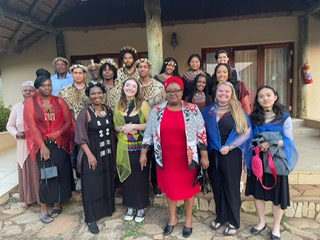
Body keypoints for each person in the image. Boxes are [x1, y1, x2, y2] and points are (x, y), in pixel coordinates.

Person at [140, 76, 209, 238]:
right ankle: (172, 219)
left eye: (176, 90)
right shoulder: (157, 110)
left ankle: (188, 220)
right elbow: (149, 132)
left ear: (182, 91)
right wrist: (143, 152)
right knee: (170, 191)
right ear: (165, 92)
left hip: (187, 158)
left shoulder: (192, 109)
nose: (173, 94)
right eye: (169, 91)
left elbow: (202, 133)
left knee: (188, 191)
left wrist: (204, 155)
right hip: (166, 158)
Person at [245, 85, 298, 240]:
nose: (265, 98)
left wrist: (271, 142)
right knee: (258, 193)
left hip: (276, 161)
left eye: (268, 95)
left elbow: (289, 140)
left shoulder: (284, 117)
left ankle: (276, 226)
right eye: (261, 96)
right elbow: (249, 138)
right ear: (258, 100)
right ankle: (261, 222)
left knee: (277, 195)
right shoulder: (253, 117)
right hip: (259, 160)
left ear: (275, 97)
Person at [24, 69, 75, 224]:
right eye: (44, 86)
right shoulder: (31, 103)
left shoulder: (59, 102)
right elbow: (32, 127)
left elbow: (68, 122)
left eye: (49, 85)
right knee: (46, 175)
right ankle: (44, 208)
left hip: (59, 144)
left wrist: (58, 133)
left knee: (60, 173)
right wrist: (42, 146)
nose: (48, 88)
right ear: (37, 88)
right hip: (42, 145)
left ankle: (58, 203)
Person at [202, 81, 252, 236]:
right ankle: (221, 216)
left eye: (227, 92)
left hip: (231, 154)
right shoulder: (208, 111)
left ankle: (233, 221)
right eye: (220, 91)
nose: (223, 94)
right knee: (217, 188)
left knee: (231, 188)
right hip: (213, 154)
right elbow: (201, 131)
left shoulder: (237, 110)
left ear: (232, 94)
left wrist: (230, 146)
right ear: (215, 93)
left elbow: (246, 132)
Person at [75, 82, 117, 234]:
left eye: (99, 93)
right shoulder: (85, 112)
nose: (96, 96)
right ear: (89, 96)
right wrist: (90, 155)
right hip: (92, 153)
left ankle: (105, 210)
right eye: (93, 93)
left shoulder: (108, 110)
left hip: (107, 153)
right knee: (92, 185)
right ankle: (91, 218)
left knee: (105, 181)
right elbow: (80, 137)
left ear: (103, 94)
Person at [113, 77, 151, 223]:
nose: (130, 88)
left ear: (137, 89)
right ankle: (130, 205)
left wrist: (133, 127)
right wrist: (122, 128)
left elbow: (149, 124)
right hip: (123, 147)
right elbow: (115, 125)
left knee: (140, 176)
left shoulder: (143, 105)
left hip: (140, 147)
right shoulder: (118, 106)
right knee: (127, 179)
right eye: (127, 85)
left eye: (133, 86)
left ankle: (140, 206)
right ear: (123, 87)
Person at [6, 81, 40, 207]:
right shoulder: (16, 107)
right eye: (25, 90)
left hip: (37, 144)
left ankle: (41, 198)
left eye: (30, 90)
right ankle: (28, 199)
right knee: (26, 170)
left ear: (35, 91)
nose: (28, 93)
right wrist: (16, 134)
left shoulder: (40, 105)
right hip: (23, 144)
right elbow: (9, 125)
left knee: (37, 171)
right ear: (22, 92)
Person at [136, 58, 166, 196]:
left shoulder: (158, 87)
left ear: (149, 69)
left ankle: (156, 183)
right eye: (140, 67)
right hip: (137, 125)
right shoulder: (133, 86)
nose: (142, 69)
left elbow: (163, 106)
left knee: (155, 154)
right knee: (140, 154)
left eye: (145, 66)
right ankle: (142, 184)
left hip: (155, 124)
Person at [58, 64, 89, 191]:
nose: (78, 75)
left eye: (80, 73)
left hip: (88, 127)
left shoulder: (90, 89)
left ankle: (89, 177)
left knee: (89, 153)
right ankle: (79, 178)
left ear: (84, 74)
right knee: (75, 155)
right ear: (72, 74)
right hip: (72, 128)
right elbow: (61, 110)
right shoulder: (64, 91)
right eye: (75, 73)